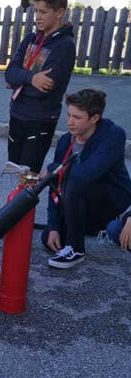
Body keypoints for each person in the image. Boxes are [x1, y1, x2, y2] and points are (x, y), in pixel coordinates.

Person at [41, 89, 131, 268]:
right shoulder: (67, 141)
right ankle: (94, 230)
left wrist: (52, 169)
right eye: (68, 115)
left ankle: (76, 250)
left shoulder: (113, 135)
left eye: (77, 117)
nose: (70, 122)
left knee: (75, 180)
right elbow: (55, 186)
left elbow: (85, 174)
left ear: (94, 118)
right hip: (85, 204)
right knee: (48, 238)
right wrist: (53, 227)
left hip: (115, 203)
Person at [5, 0, 76, 174]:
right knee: (16, 173)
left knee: (29, 177)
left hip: (40, 120)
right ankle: (18, 203)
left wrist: (18, 80)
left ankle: (27, 205)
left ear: (60, 12)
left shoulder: (65, 46)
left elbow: (42, 89)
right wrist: (30, 78)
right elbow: (9, 73)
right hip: (17, 114)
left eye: (43, 12)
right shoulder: (30, 39)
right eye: (36, 11)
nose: (38, 16)